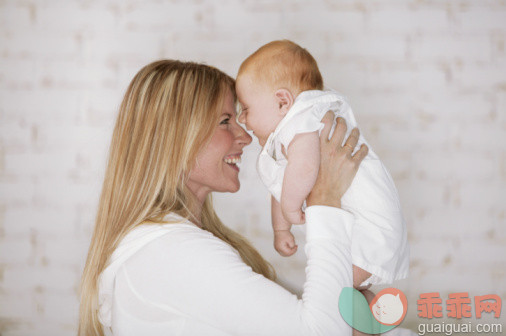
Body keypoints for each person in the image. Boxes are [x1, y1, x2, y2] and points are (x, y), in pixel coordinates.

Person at [78, 59, 369, 336]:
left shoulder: (173, 246)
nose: (244, 136)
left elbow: (327, 319)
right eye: (225, 120)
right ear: (176, 138)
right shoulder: (173, 252)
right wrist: (326, 196)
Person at [235, 40, 409, 290]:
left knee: (332, 288)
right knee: (346, 294)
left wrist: (291, 208)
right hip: (359, 227)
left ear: (282, 102)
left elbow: (303, 170)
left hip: (370, 225)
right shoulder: (286, 137)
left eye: (246, 108)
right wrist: (281, 228)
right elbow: (285, 186)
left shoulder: (304, 119)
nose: (242, 118)